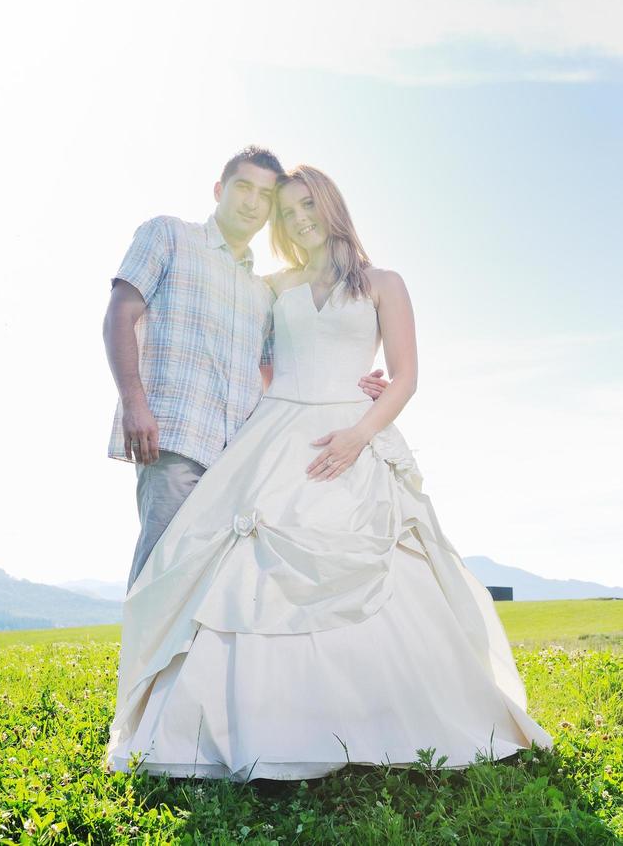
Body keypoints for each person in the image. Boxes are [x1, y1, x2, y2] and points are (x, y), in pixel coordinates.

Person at [106, 165, 553, 780]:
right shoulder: (271, 286)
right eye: (286, 212)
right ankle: (235, 727)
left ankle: (391, 722)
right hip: (274, 433)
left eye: (307, 204)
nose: (299, 219)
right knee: (237, 568)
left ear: (332, 204)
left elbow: (405, 377)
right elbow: (257, 363)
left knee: (382, 563)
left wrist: (360, 430)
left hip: (352, 435)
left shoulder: (384, 284)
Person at [103, 147, 387, 591]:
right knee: (163, 572)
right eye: (243, 187)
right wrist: (134, 404)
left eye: (264, 196)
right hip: (174, 438)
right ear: (220, 190)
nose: (252, 202)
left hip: (240, 454)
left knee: (221, 584)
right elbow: (121, 314)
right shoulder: (170, 236)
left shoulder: (263, 289)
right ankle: (143, 663)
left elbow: (282, 367)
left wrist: (350, 383)